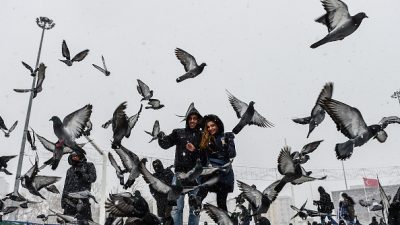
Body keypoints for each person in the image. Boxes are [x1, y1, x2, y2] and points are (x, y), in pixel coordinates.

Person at [157, 104, 206, 225]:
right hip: (179, 175)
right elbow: (165, 144)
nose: (192, 121)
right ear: (187, 120)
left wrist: (195, 150)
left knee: (195, 208)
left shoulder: (202, 137)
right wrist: (161, 137)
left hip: (195, 177)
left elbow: (205, 159)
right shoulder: (179, 133)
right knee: (177, 208)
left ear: (198, 120)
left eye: (195, 118)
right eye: (190, 118)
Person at [199, 114, 236, 211]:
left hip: (224, 174)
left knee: (221, 202)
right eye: (208, 127)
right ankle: (197, 205)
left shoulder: (226, 136)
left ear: (218, 125)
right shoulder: (206, 140)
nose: (211, 128)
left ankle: (225, 221)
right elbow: (202, 159)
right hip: (211, 172)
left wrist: (226, 143)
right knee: (202, 190)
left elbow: (232, 154)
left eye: (213, 125)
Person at [61, 152, 97, 224]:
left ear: (80, 156)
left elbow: (93, 178)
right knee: (67, 221)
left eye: (76, 156)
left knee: (85, 221)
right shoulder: (70, 170)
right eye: (72, 156)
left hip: (82, 200)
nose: (74, 157)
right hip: (69, 200)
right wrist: (63, 199)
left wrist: (83, 175)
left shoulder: (89, 165)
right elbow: (66, 185)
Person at [150, 159, 174, 225]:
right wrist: (157, 197)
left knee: (171, 218)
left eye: (158, 166)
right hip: (160, 202)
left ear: (161, 165)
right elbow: (152, 189)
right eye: (155, 166)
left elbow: (174, 183)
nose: (157, 168)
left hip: (170, 200)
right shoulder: (154, 176)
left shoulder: (168, 172)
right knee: (163, 220)